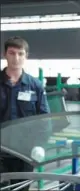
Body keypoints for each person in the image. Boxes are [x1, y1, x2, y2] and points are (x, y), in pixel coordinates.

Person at [0, 36, 50, 191]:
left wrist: (40, 145)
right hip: (0, 151)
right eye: (12, 53)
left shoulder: (35, 85)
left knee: (22, 188)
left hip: (24, 152)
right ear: (5, 54)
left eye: (20, 54)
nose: (16, 58)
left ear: (26, 56)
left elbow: (44, 118)